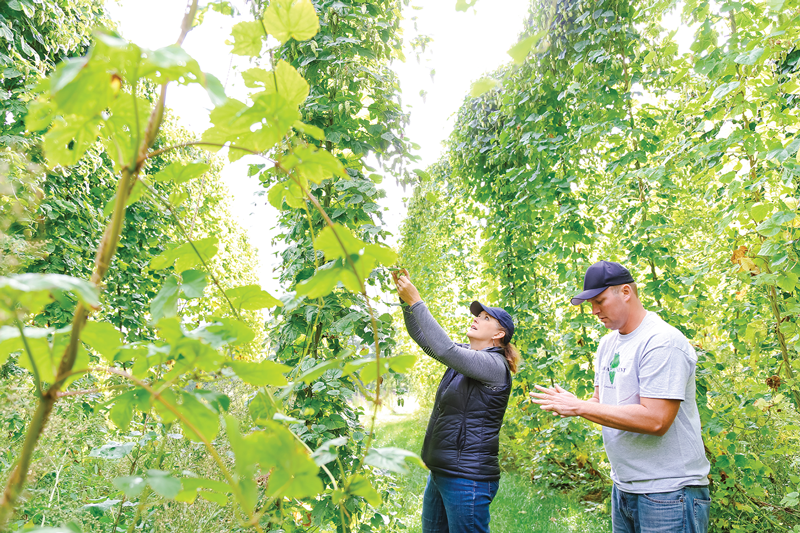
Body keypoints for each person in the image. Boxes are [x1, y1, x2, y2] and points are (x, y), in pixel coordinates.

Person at [530, 260, 711, 533]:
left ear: (625, 292)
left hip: (669, 492)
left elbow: (656, 420)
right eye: (591, 304)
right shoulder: (608, 343)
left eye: (600, 301)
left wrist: (580, 408)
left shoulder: (661, 341)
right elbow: (601, 403)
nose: (594, 311)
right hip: (624, 487)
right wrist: (574, 404)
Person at [392, 269, 519, 533]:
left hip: (467, 480)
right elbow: (428, 343)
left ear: (499, 334)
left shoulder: (493, 366)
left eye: (485, 318)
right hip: (441, 473)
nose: (476, 319)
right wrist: (407, 305)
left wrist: (418, 302)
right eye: (477, 315)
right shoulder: (465, 356)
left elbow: (444, 348)